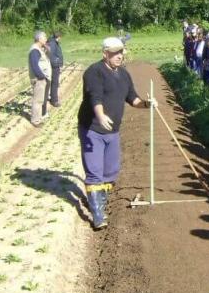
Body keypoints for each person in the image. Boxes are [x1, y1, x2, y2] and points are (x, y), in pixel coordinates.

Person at [77, 37, 155, 230]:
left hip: (112, 131)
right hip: (92, 129)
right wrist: (100, 115)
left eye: (121, 53)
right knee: (94, 172)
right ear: (105, 54)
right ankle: (97, 214)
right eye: (115, 53)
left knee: (110, 172)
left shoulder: (124, 75)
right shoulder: (94, 72)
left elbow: (133, 99)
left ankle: (100, 201)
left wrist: (147, 104)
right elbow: (94, 96)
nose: (119, 56)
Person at [28, 30, 51, 127]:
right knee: (37, 100)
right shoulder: (34, 50)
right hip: (39, 79)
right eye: (44, 37)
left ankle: (39, 117)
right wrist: (41, 76)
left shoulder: (39, 48)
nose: (46, 39)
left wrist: (46, 48)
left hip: (41, 78)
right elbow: (34, 65)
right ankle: (35, 121)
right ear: (39, 39)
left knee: (40, 99)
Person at [47, 31, 63, 107]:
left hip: (54, 65)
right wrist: (57, 63)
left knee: (54, 82)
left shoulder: (52, 42)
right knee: (55, 82)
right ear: (58, 37)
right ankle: (54, 100)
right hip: (54, 66)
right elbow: (51, 56)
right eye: (60, 37)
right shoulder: (53, 43)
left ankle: (52, 96)